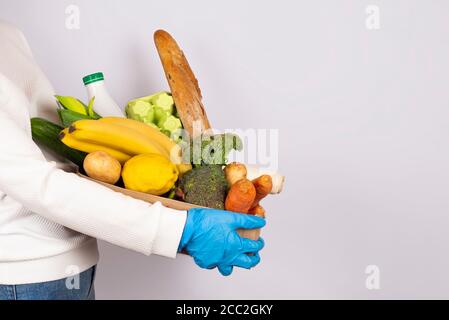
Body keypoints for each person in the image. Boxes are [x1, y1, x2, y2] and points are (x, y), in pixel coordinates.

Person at [0, 22, 266, 300]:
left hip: (72, 263)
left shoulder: (8, 33)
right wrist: (180, 230)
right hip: (24, 280)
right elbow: (37, 182)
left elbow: (49, 153)